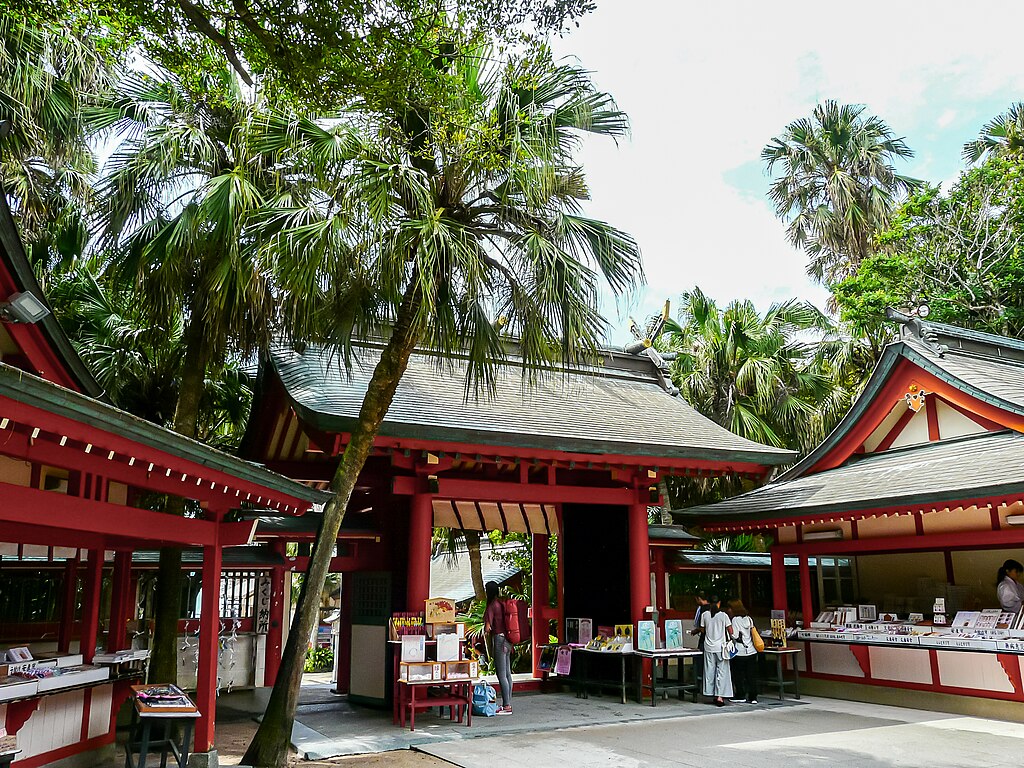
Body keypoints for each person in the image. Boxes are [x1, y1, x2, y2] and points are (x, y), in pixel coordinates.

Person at [483, 580, 513, 715]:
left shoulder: (492, 606)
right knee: (507, 673)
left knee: (501, 674)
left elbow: (488, 627)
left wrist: (486, 628)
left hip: (499, 639)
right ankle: (508, 703)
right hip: (508, 639)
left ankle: (506, 706)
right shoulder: (502, 603)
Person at [697, 594, 733, 706]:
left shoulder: (705, 615)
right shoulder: (723, 615)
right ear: (719, 603)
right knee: (722, 672)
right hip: (721, 647)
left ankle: (710, 693)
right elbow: (730, 630)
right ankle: (720, 696)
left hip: (708, 646)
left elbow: (702, 630)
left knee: (709, 671)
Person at [729, 600, 758, 704]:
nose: (729, 610)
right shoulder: (749, 619)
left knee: (738, 675)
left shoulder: (735, 620)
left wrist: (729, 633)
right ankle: (753, 696)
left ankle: (740, 695)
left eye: (730, 608)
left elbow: (735, 635)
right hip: (751, 650)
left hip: (740, 651)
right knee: (751, 675)